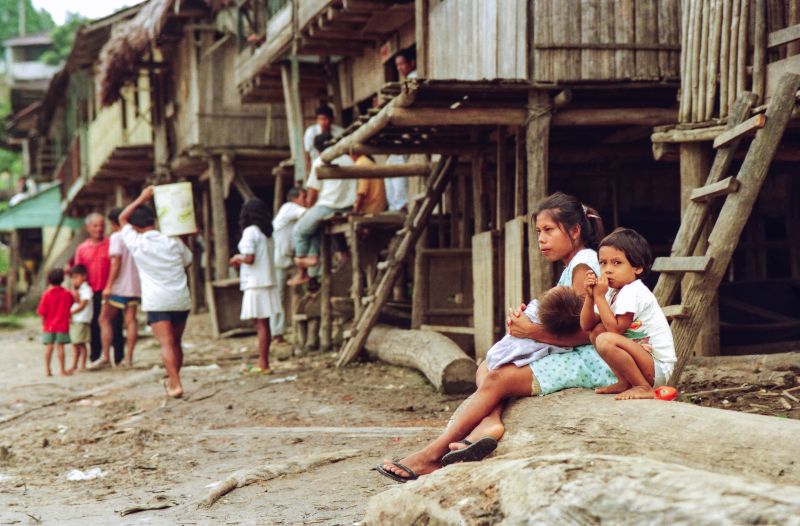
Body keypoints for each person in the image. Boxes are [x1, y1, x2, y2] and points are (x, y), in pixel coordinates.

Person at [376, 192, 618, 482]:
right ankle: (490, 421)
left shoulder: (584, 266)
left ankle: (432, 455)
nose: (541, 239)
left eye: (549, 230)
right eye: (538, 232)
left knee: (497, 378)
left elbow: (588, 333)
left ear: (575, 230)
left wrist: (532, 331)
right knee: (486, 365)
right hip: (574, 350)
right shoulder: (573, 265)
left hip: (594, 359)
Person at [580, 228, 676, 400]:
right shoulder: (611, 292)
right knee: (596, 332)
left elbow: (615, 331)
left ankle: (642, 387)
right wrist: (590, 296)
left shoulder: (633, 291)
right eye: (603, 263)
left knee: (605, 339)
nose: (607, 270)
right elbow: (586, 326)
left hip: (657, 368)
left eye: (617, 263)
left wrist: (599, 296)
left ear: (637, 267)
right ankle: (625, 381)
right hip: (643, 363)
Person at [119, 187, 193, 398]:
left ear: (135, 226)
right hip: (180, 298)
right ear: (154, 221)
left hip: (157, 301)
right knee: (176, 343)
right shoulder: (173, 241)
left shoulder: (137, 242)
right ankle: (172, 380)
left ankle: (176, 384)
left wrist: (142, 196)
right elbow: (187, 261)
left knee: (166, 343)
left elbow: (122, 217)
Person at [288, 135, 356, 286]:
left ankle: (302, 266)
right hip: (348, 205)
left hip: (329, 206)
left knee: (300, 230)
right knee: (315, 227)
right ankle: (312, 258)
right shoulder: (348, 159)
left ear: (317, 150)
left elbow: (312, 192)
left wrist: (308, 206)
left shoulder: (320, 161)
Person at [230, 198, 282, 372]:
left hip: (255, 283)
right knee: (263, 323)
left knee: (260, 325)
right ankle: (263, 361)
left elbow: (249, 258)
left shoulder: (250, 232)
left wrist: (237, 258)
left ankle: (263, 363)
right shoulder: (266, 233)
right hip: (266, 280)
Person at [484, 286, 583, 370]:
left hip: (499, 358)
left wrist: (527, 326)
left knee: (486, 371)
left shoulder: (536, 316)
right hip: (500, 358)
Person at [73, 213, 124, 365]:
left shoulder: (111, 244)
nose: (99, 229)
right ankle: (96, 356)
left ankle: (118, 357)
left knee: (116, 323)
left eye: (101, 225)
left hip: (111, 290)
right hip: (91, 292)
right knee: (94, 324)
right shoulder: (82, 249)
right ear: (88, 227)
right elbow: (77, 272)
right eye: (95, 225)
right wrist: (75, 290)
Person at [99, 207, 142, 367]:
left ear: (114, 223)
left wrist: (109, 285)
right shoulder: (136, 235)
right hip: (135, 285)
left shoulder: (117, 237)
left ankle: (105, 357)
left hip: (119, 286)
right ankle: (128, 358)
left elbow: (116, 262)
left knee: (104, 319)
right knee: (131, 320)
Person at [271, 187, 307, 342]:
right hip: (280, 259)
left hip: (291, 258)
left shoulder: (293, 211)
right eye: (303, 197)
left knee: (296, 293)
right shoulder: (289, 208)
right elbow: (307, 213)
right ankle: (276, 332)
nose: (305, 201)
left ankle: (294, 330)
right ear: (295, 198)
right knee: (278, 296)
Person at [37, 268, 73, 377]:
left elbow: (42, 312)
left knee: (49, 347)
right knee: (60, 347)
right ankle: (62, 370)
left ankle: (47, 370)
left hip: (49, 326)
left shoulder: (46, 294)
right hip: (62, 325)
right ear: (62, 279)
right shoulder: (67, 294)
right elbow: (72, 304)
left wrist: (43, 324)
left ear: (49, 280)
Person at [303, 106, 344, 172]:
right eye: (320, 119)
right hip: (317, 164)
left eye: (326, 119)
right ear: (317, 120)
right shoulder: (311, 132)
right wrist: (308, 169)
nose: (323, 122)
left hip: (336, 165)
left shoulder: (339, 132)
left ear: (332, 120)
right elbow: (307, 152)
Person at [68, 265, 93, 373]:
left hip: (81, 319)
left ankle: (80, 365)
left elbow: (83, 304)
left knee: (79, 343)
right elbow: (78, 301)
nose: (74, 280)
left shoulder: (86, 289)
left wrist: (71, 313)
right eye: (73, 278)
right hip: (76, 319)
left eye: (76, 277)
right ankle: (76, 364)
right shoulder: (79, 290)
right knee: (76, 343)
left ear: (84, 276)